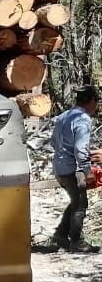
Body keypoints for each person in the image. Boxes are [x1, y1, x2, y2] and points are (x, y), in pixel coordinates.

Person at [49, 85, 100, 253]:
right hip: (73, 169)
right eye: (97, 101)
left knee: (75, 202)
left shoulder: (63, 116)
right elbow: (80, 149)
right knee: (80, 205)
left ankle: (61, 235)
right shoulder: (83, 119)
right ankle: (77, 241)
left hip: (59, 167)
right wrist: (87, 171)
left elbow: (53, 142)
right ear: (92, 100)